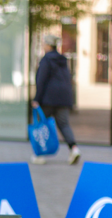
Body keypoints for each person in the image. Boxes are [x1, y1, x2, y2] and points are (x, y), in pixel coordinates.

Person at [32, 34, 81, 165]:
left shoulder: (46, 60)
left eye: (44, 44)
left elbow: (41, 81)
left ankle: (40, 154)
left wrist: (37, 99)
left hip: (48, 98)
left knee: (41, 124)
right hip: (64, 98)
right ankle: (74, 149)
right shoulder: (63, 60)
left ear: (48, 45)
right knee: (64, 124)